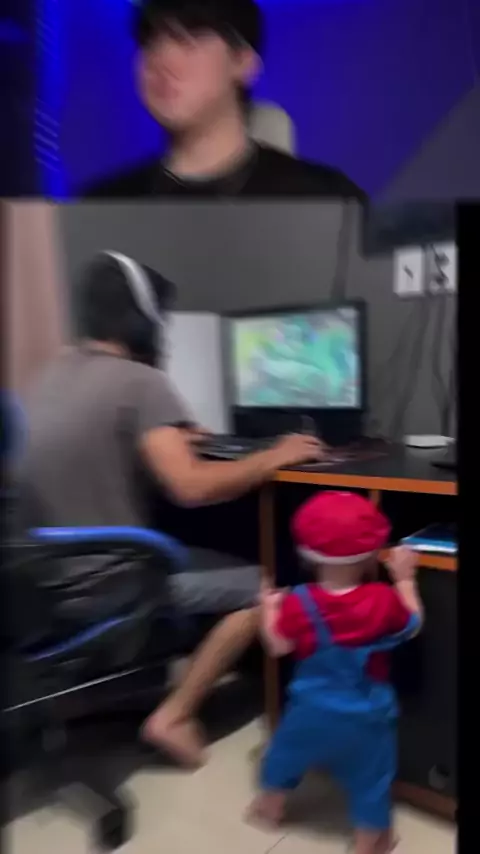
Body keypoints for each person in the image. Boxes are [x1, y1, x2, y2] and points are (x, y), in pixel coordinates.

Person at [17, 251, 324, 767]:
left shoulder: (45, 379)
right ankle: (175, 714)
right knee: (267, 587)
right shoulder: (141, 382)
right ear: (144, 321)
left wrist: (171, 436)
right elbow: (191, 488)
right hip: (108, 581)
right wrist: (276, 455)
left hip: (42, 585)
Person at [248, 491, 423, 854]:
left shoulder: (298, 601)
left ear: (305, 555)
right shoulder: (382, 599)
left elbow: (278, 646)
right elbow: (413, 625)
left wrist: (268, 609)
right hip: (367, 717)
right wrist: (405, 580)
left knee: (283, 756)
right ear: (373, 555)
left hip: (308, 712)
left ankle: (269, 808)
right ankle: (369, 842)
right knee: (372, 781)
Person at [81, 0, 365, 199]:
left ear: (244, 62)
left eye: (189, 40)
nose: (162, 61)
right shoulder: (104, 205)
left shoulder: (325, 200)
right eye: (150, 42)